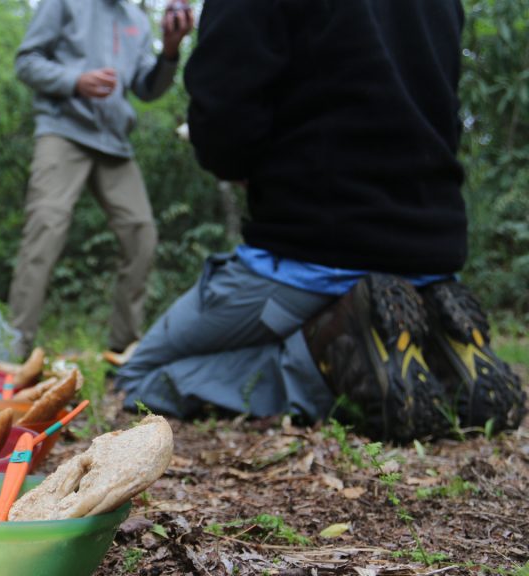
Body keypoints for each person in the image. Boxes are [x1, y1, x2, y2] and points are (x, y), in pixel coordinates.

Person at [116, 0, 526, 442]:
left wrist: (237, 162)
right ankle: (424, 353)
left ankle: (337, 362)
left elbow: (223, 113)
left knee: (141, 375)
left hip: (307, 253)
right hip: (431, 252)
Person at [7, 0, 194, 359]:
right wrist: (74, 81)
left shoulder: (137, 20)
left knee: (141, 233)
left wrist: (170, 50)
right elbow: (26, 62)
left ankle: (123, 348)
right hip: (63, 131)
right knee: (46, 225)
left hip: (114, 142)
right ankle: (13, 347)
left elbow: (146, 88)